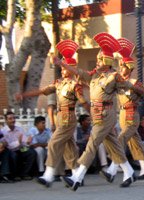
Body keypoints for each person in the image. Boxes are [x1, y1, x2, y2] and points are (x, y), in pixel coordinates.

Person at [56, 32, 144, 190]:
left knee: (92, 142)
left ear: (107, 61)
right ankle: (129, 172)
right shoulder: (94, 75)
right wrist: (63, 64)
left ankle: (77, 176)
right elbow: (80, 73)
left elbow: (131, 86)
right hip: (96, 113)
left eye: (99, 59)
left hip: (106, 113)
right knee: (114, 146)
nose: (96, 61)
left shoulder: (114, 77)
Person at [16, 39, 91, 187]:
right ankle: (77, 174)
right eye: (62, 67)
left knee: (53, 143)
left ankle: (48, 175)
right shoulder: (58, 83)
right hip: (59, 117)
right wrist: (24, 95)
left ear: (71, 68)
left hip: (69, 117)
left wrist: (92, 114)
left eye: (65, 67)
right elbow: (42, 91)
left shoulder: (75, 85)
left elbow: (83, 102)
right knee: (69, 147)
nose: (62, 70)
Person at [103, 38, 144, 180]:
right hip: (122, 114)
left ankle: (112, 170)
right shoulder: (118, 82)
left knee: (121, 139)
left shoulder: (135, 83)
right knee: (135, 142)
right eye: (120, 66)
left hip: (132, 113)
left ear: (129, 68)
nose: (121, 68)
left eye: (123, 66)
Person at [1, 111, 36, 181]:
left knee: (31, 153)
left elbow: (24, 141)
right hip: (10, 151)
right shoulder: (3, 131)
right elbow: (8, 145)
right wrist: (18, 142)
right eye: (10, 118)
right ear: (6, 120)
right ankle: (15, 175)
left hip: (20, 149)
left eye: (14, 118)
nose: (13, 120)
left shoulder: (19, 129)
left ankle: (24, 173)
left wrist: (28, 142)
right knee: (14, 155)